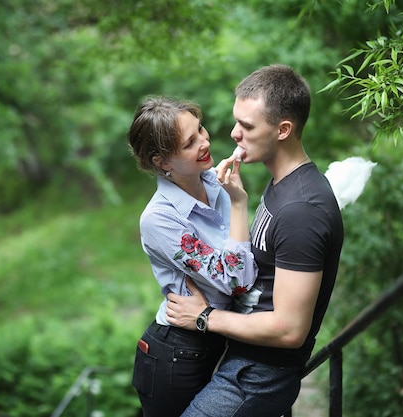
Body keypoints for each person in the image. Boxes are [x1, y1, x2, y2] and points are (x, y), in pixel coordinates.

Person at [166, 64, 345, 417]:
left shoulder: (301, 210)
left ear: (283, 130)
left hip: (258, 377)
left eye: (246, 126)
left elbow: (290, 329)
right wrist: (237, 200)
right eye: (236, 122)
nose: (234, 134)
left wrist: (204, 317)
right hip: (243, 361)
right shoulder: (282, 184)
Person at [127, 96, 259, 417]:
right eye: (189, 143)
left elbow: (246, 255)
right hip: (177, 353)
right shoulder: (159, 218)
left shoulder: (215, 182)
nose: (204, 142)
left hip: (214, 334)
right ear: (162, 162)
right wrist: (239, 204)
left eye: (200, 130)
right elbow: (235, 279)